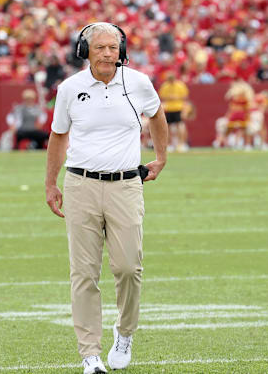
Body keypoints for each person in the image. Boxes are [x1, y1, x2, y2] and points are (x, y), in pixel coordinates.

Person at [44, 22, 168, 374]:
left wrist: (161, 157)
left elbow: (158, 115)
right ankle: (90, 354)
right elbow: (58, 136)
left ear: (121, 51)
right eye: (99, 48)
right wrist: (51, 183)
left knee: (129, 267)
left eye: (112, 48)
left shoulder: (139, 83)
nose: (107, 54)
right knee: (83, 273)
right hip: (80, 184)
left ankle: (124, 332)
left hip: (126, 185)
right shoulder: (70, 89)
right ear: (85, 52)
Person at [158, 71, 189, 152]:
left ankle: (181, 144)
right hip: (168, 108)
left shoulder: (180, 85)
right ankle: (170, 144)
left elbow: (185, 97)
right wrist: (170, 98)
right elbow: (162, 97)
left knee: (180, 126)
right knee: (168, 127)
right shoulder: (165, 86)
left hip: (178, 108)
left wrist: (184, 108)